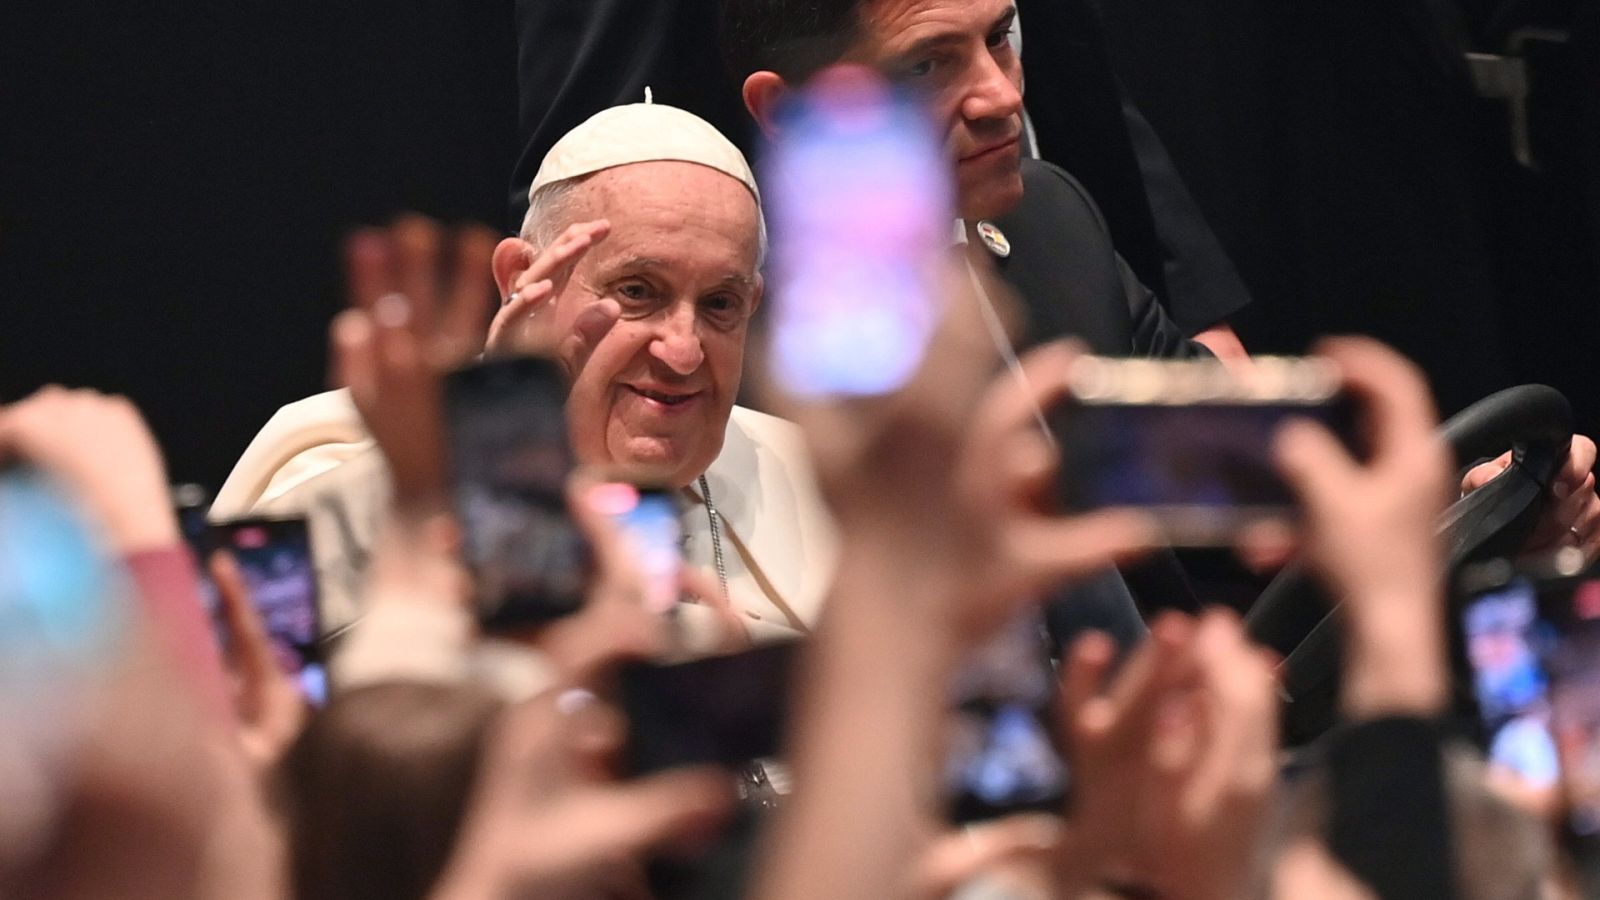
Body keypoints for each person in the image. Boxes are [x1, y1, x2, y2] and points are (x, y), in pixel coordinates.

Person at [212, 102, 837, 648]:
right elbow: (244, 656)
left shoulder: (819, 475)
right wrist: (484, 444)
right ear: (522, 280)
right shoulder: (356, 446)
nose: (683, 352)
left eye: (720, 303)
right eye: (638, 290)